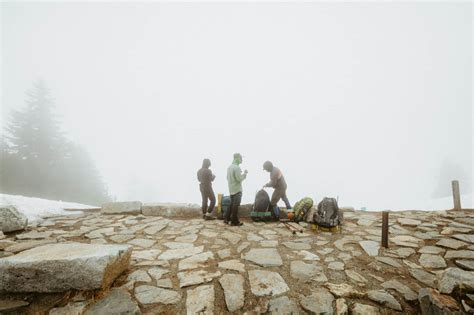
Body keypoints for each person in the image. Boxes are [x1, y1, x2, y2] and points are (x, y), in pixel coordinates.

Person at [225, 153, 247, 226]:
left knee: (231, 204)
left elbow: (227, 178)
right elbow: (239, 179)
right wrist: (245, 174)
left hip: (231, 189)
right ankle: (234, 221)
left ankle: (226, 218)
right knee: (235, 206)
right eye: (241, 158)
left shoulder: (229, 167)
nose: (242, 160)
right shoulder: (237, 168)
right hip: (237, 190)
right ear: (237, 158)